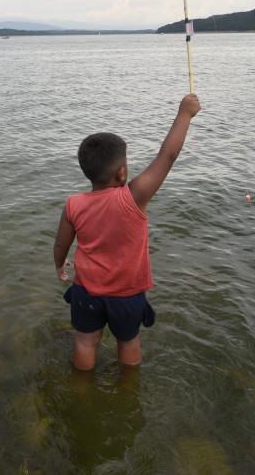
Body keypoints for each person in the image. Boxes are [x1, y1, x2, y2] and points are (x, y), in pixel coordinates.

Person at [53, 94, 201, 370]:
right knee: (128, 342)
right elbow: (167, 156)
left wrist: (60, 267)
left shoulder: (73, 204)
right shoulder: (133, 197)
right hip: (127, 294)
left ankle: (83, 388)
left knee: (85, 341)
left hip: (86, 291)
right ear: (122, 173)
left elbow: (61, 245)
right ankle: (128, 391)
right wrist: (185, 114)